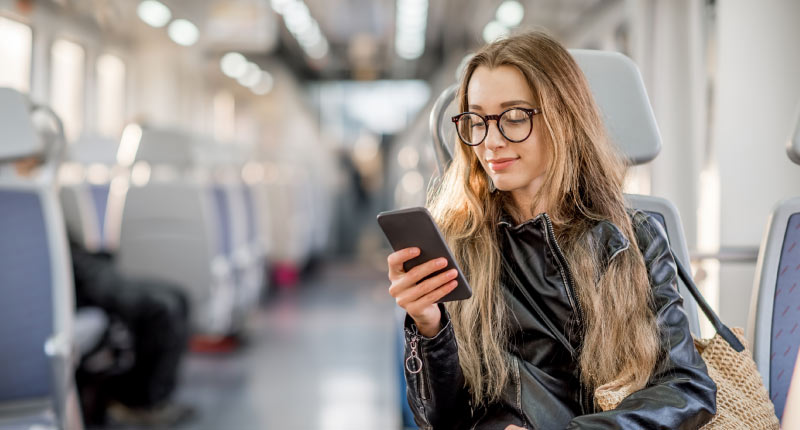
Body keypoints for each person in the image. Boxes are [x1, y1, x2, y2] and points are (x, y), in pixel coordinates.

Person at [386, 31, 716, 429]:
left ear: (562, 119)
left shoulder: (634, 238)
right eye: (476, 120)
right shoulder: (457, 243)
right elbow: (442, 420)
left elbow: (687, 388)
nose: (490, 142)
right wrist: (429, 326)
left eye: (513, 118)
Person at [14, 156, 194, 426]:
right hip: (81, 285)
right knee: (161, 307)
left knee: (179, 295)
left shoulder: (41, 196)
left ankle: (148, 396)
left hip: (92, 273)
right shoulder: (20, 203)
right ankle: (142, 401)